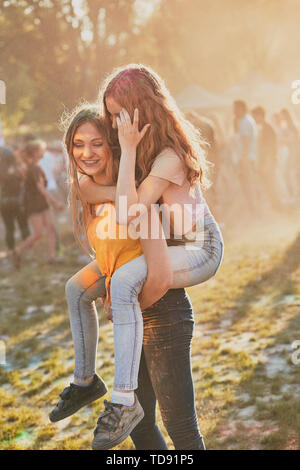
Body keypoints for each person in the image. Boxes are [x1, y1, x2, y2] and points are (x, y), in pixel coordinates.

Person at [51, 65, 223, 450]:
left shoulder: (167, 156)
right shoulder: (136, 154)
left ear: (142, 109)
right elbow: (86, 184)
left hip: (199, 244)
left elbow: (130, 209)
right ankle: (85, 381)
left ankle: (122, 398)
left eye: (119, 114)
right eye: (110, 115)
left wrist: (126, 149)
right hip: (168, 244)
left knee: (126, 281)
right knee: (77, 289)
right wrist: (118, 156)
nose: (114, 124)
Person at [14, 139, 64, 266]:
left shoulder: (35, 167)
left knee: (51, 228)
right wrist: (55, 202)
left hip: (43, 202)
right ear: (36, 152)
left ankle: (52, 257)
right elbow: (41, 188)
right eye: (42, 149)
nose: (44, 151)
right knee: (38, 233)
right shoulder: (33, 168)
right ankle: (18, 251)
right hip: (35, 204)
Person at [0, 146, 30, 267]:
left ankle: (12, 250)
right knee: (23, 225)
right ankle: (27, 250)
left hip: (4, 202)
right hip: (18, 201)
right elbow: (25, 181)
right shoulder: (18, 168)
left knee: (9, 228)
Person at [251, 106, 281, 211]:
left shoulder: (267, 128)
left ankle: (278, 208)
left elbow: (270, 148)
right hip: (266, 162)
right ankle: (276, 207)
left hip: (268, 162)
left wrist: (267, 164)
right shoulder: (263, 128)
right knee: (269, 186)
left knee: (271, 186)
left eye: (254, 116)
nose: (253, 118)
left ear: (260, 116)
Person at [233, 100, 258, 214]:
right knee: (249, 185)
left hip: (247, 159)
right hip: (249, 158)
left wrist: (243, 161)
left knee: (248, 186)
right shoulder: (247, 120)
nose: (233, 111)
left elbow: (246, 143)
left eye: (235, 108)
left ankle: (253, 211)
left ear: (241, 108)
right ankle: (253, 209)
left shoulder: (245, 122)